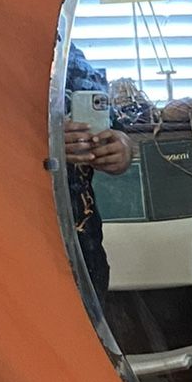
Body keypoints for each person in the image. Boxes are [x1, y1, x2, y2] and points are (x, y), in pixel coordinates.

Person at [64, 42, 136, 304]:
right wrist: (43, 142)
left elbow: (114, 130)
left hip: (84, 252)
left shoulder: (68, 57)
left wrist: (122, 148)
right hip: (3, 247)